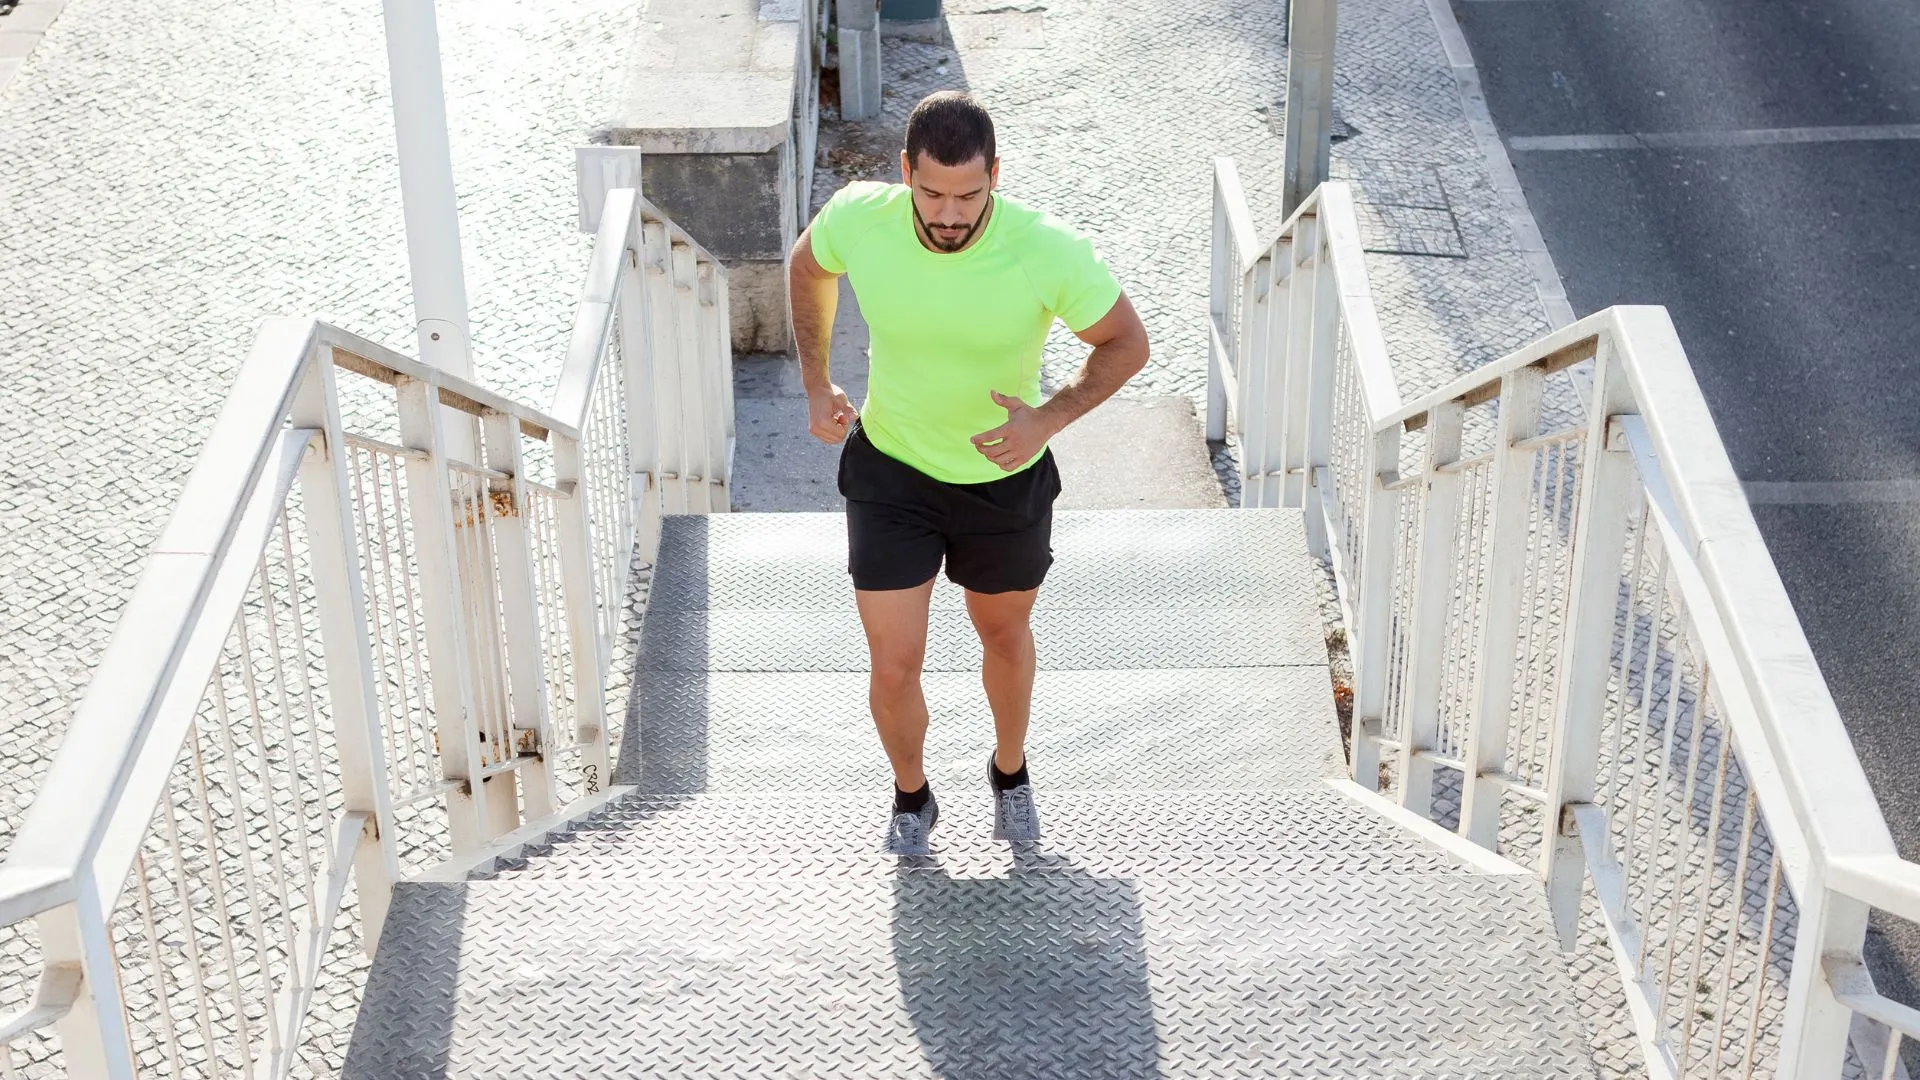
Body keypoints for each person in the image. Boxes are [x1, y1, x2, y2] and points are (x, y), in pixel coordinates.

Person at [787, 90, 1150, 855]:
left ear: (996, 176)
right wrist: (817, 383)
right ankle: (912, 796)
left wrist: (1045, 422)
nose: (950, 214)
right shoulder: (860, 216)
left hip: (1004, 479)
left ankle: (1010, 774)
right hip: (892, 469)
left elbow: (1126, 344)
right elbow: (807, 265)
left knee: (1004, 632)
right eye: (932, 194)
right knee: (893, 662)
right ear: (904, 174)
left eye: (969, 196)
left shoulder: (1045, 247)